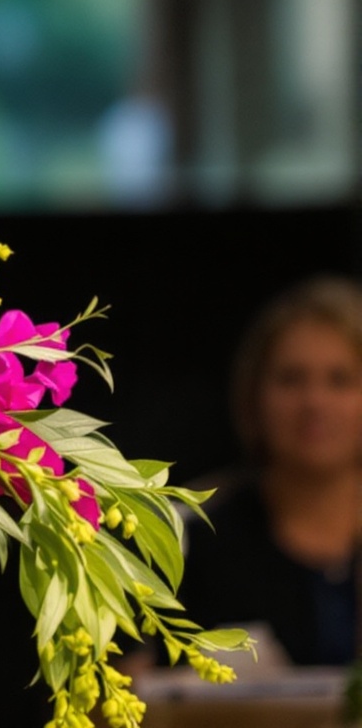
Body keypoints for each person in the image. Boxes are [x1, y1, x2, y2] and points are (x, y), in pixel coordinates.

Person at [181, 277, 362, 666]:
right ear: (253, 394)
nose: (314, 401)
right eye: (291, 379)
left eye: (340, 380)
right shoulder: (195, 539)